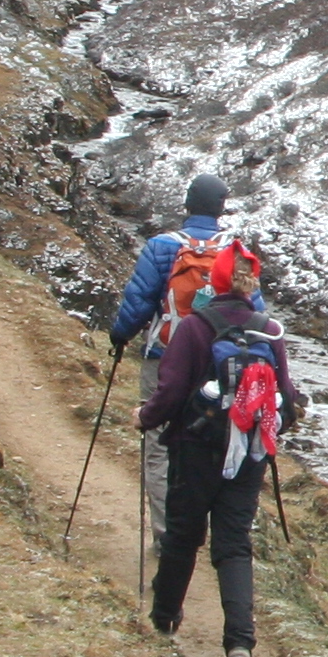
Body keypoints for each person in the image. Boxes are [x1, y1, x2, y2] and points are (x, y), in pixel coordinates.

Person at [133, 238, 302, 657]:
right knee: (234, 544)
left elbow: (169, 392)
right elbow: (288, 398)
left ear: (217, 281)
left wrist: (145, 418)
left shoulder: (194, 327)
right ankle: (240, 643)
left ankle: (164, 617)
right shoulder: (270, 331)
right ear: (251, 285)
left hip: (196, 447)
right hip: (249, 453)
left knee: (184, 536)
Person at [108, 172, 231, 548]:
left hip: (163, 358)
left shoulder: (161, 247)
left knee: (159, 445)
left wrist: (120, 335)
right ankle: (201, 528)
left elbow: (140, 300)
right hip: (216, 364)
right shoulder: (234, 250)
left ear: (187, 205)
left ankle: (168, 535)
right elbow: (251, 309)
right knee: (209, 443)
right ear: (221, 208)